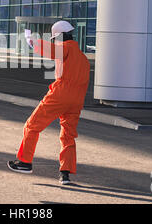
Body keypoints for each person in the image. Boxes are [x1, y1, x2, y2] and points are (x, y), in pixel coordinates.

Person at [7, 21, 90, 185]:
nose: (54, 41)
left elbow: (53, 51)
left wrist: (33, 42)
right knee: (68, 136)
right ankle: (65, 173)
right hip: (77, 101)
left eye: (55, 38)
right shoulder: (83, 58)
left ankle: (25, 162)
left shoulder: (67, 48)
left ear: (60, 36)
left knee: (32, 126)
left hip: (60, 95)